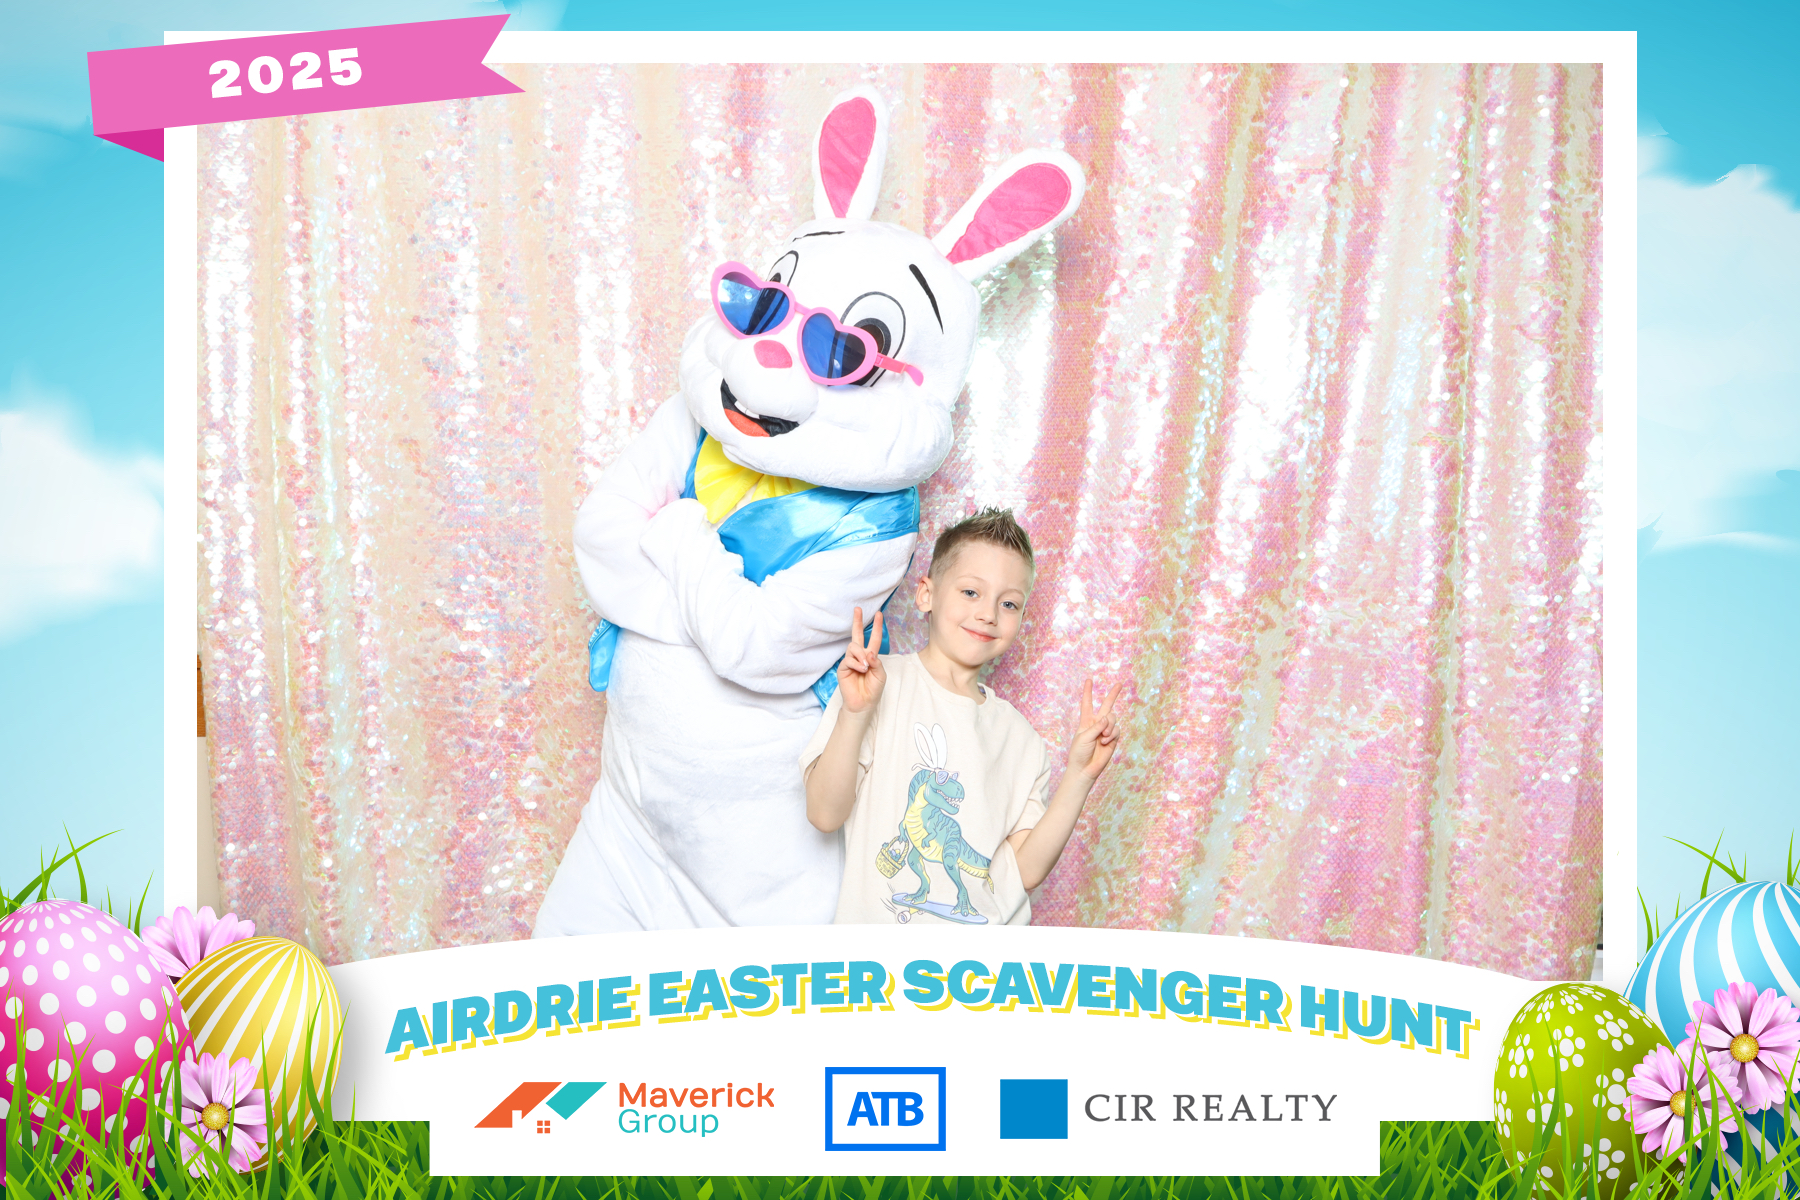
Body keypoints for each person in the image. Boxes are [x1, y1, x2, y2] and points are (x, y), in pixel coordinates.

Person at [801, 508, 1122, 925]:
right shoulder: (875, 686)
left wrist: (1079, 776)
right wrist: (855, 714)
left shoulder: (1022, 740)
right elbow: (824, 815)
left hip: (985, 961)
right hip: (879, 960)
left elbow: (1024, 872)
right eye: (971, 592)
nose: (988, 613)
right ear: (926, 595)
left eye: (1009, 603)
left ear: (1022, 619)